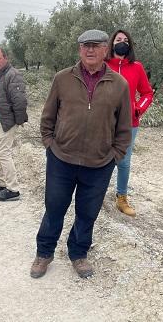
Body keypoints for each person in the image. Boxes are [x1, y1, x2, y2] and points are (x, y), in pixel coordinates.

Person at [31, 29, 132, 279]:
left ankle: (78, 253)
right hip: (61, 159)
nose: (90, 50)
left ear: (105, 50)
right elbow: (48, 118)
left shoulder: (119, 84)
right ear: (79, 49)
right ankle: (44, 253)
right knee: (54, 208)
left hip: (99, 164)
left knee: (87, 213)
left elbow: (124, 127)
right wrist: (50, 145)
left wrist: (115, 156)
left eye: (96, 45)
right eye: (85, 45)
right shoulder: (62, 78)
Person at [105, 29, 154, 217]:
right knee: (102, 157)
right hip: (104, 121)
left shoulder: (137, 67)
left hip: (129, 123)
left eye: (126, 40)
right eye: (118, 39)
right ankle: (96, 193)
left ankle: (122, 197)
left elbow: (147, 93)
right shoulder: (103, 65)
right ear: (112, 43)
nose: (122, 42)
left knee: (124, 162)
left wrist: (137, 109)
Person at [0, 47, 28, 201]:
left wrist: (18, 120)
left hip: (6, 122)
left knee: (3, 153)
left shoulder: (13, 75)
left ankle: (13, 189)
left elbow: (20, 100)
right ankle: (1, 183)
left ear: (5, 58)